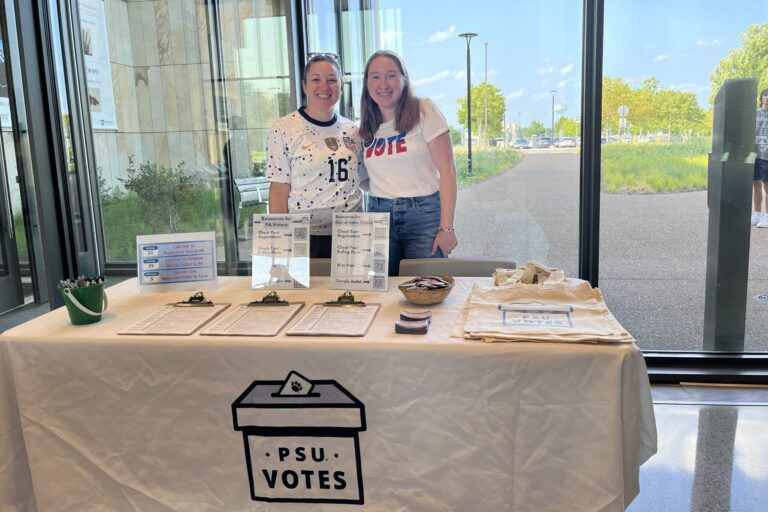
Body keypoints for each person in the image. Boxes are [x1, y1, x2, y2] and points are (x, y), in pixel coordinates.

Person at [359, 50, 458, 276]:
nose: (383, 84)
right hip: (378, 216)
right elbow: (367, 178)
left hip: (423, 215)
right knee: (381, 288)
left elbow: (447, 171)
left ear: (404, 79)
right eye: (375, 76)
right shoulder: (366, 127)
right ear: (366, 84)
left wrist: (447, 228)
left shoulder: (424, 110)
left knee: (426, 289)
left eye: (391, 75)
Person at [266, 52, 366, 257]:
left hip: (352, 232)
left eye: (332, 80)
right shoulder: (284, 129)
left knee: (354, 290)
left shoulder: (353, 130)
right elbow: (278, 190)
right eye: (316, 80)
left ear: (340, 85)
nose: (324, 87)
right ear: (304, 85)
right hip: (305, 235)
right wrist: (281, 241)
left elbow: (362, 179)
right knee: (309, 290)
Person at [753, 87, 768, 228]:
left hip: (766, 156)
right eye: (765, 95)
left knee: (767, 186)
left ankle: (767, 216)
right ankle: (757, 214)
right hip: (755, 155)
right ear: (761, 98)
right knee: (756, 185)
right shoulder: (755, 114)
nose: (767, 98)